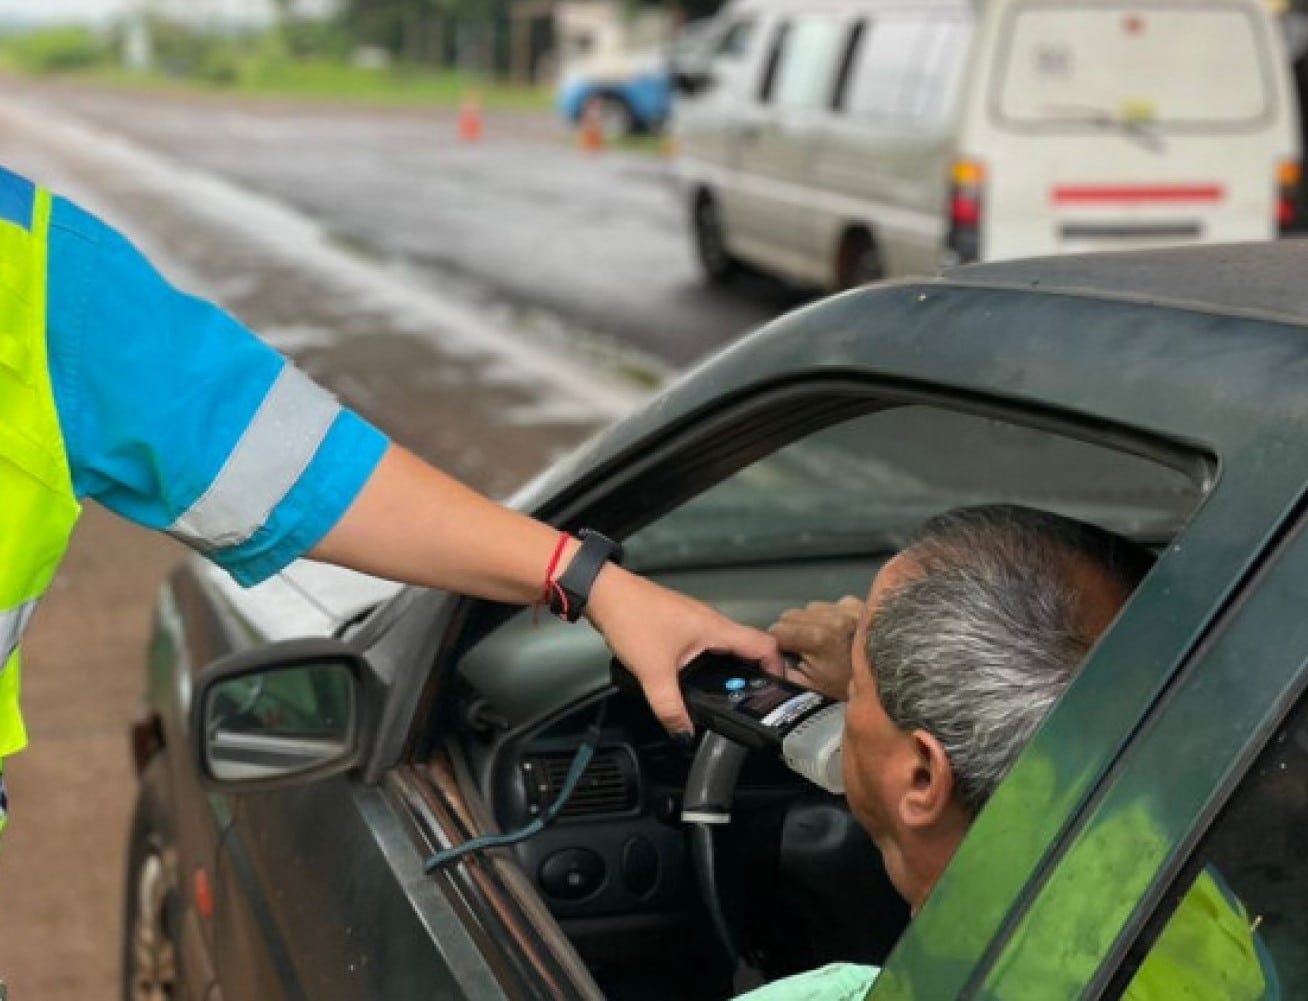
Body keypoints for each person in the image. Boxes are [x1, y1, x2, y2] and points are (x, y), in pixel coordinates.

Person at [0, 166, 779, 840]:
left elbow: (305, 472)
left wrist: (590, 578)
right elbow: (302, 472)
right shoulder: (33, 269)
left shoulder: (41, 280)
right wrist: (589, 579)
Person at [745, 505, 1272, 1000]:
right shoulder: (1206, 916)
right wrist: (877, 676)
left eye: (857, 690)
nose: (851, 701)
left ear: (924, 777)